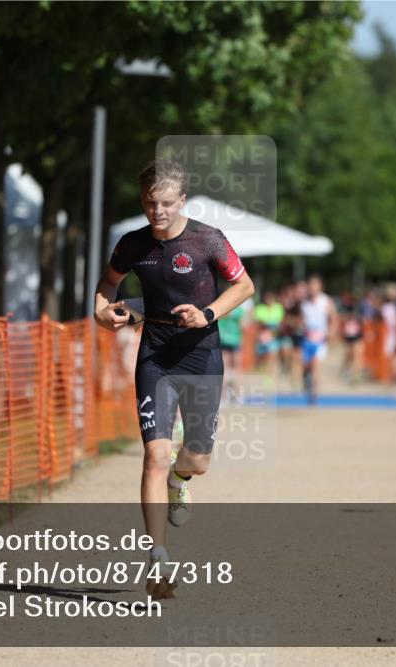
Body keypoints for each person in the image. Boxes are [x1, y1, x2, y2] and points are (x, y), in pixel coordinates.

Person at [94, 159, 255, 598]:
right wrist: (102, 309)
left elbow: (244, 287)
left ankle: (180, 482)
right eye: (150, 204)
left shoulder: (208, 241)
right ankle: (157, 561)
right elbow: (108, 284)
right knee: (154, 456)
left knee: (196, 459)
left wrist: (207, 314)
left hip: (201, 357)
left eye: (165, 203)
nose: (157, 212)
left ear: (181, 200)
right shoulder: (132, 244)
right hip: (156, 359)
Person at [299, 275, 338, 403]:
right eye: (310, 285)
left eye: (315, 285)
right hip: (307, 340)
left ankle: (314, 395)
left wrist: (331, 332)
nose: (312, 288)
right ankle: (306, 378)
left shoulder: (326, 301)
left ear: (320, 286)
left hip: (320, 340)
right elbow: (302, 320)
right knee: (306, 367)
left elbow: (334, 318)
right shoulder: (304, 303)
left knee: (316, 366)